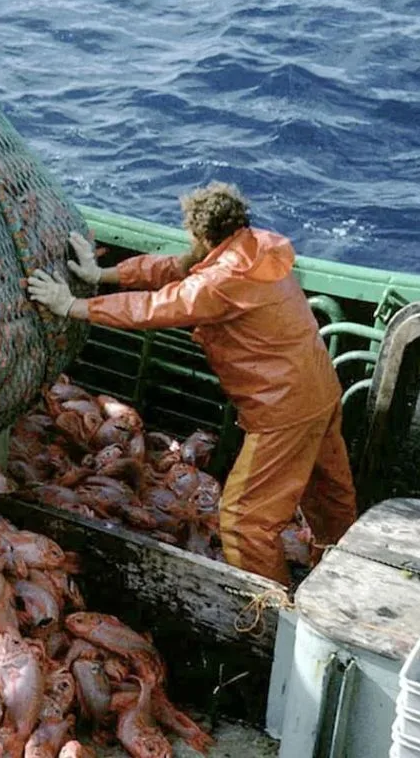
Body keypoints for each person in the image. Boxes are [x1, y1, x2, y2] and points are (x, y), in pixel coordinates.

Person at [27, 181, 357, 585]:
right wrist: (103, 273)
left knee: (241, 521)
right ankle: (344, 575)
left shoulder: (220, 282)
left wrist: (72, 305)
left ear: (202, 235)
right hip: (321, 391)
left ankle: (275, 617)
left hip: (282, 411)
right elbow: (178, 268)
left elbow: (155, 307)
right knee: (330, 496)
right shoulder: (255, 247)